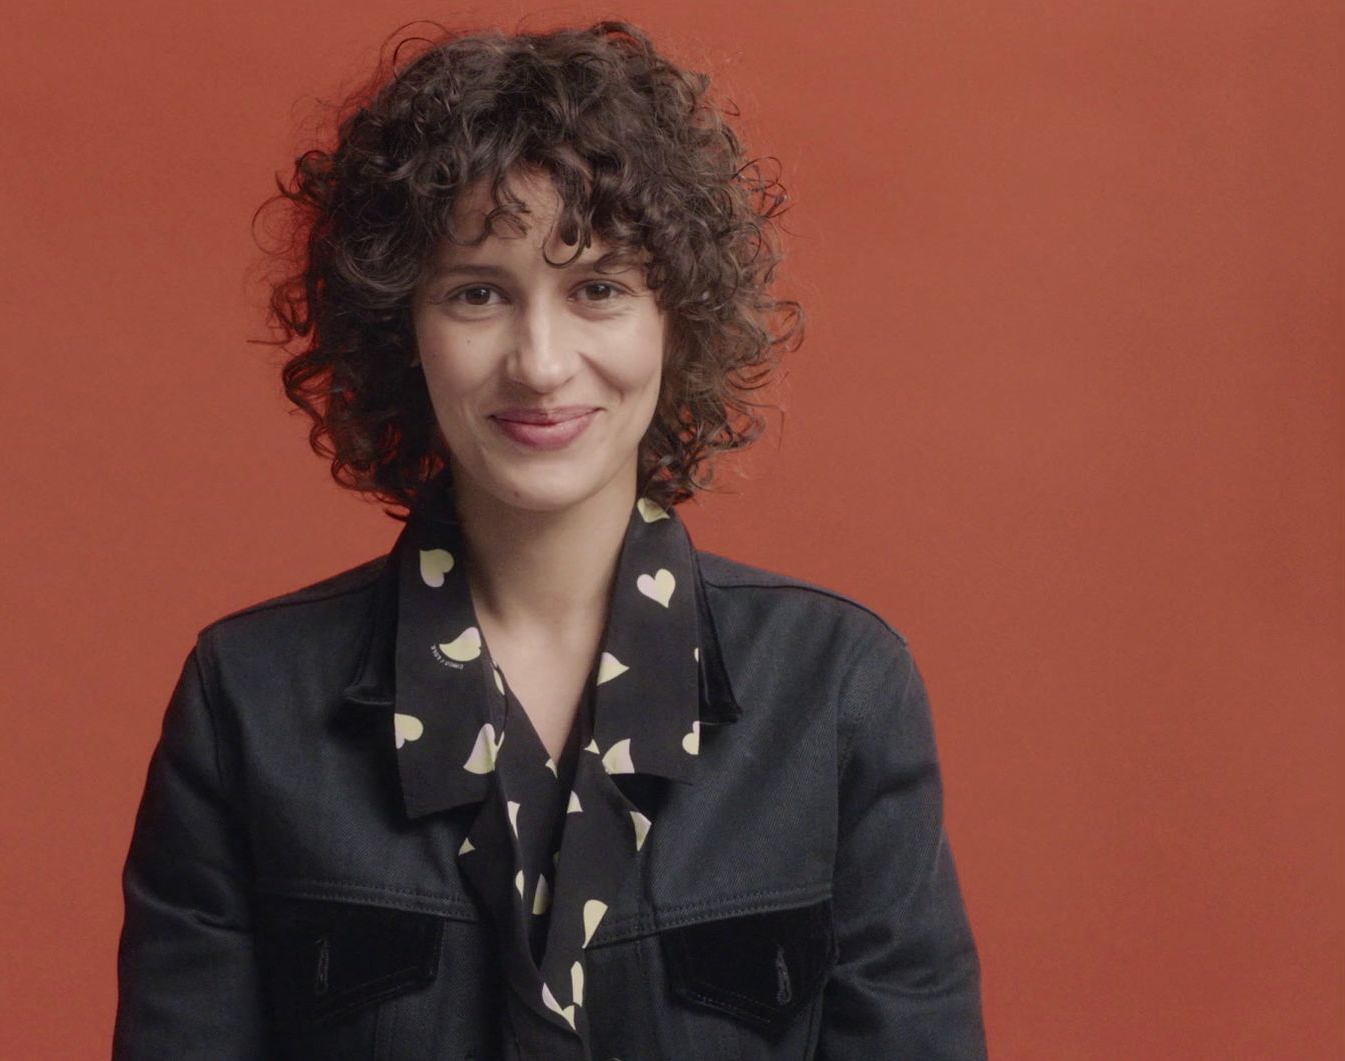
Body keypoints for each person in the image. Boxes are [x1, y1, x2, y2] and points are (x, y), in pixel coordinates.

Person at [113, 19, 987, 1060]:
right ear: (403, 325)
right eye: (478, 292)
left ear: (676, 320)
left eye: (598, 289)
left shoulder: (837, 689)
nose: (539, 362)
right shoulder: (250, 696)